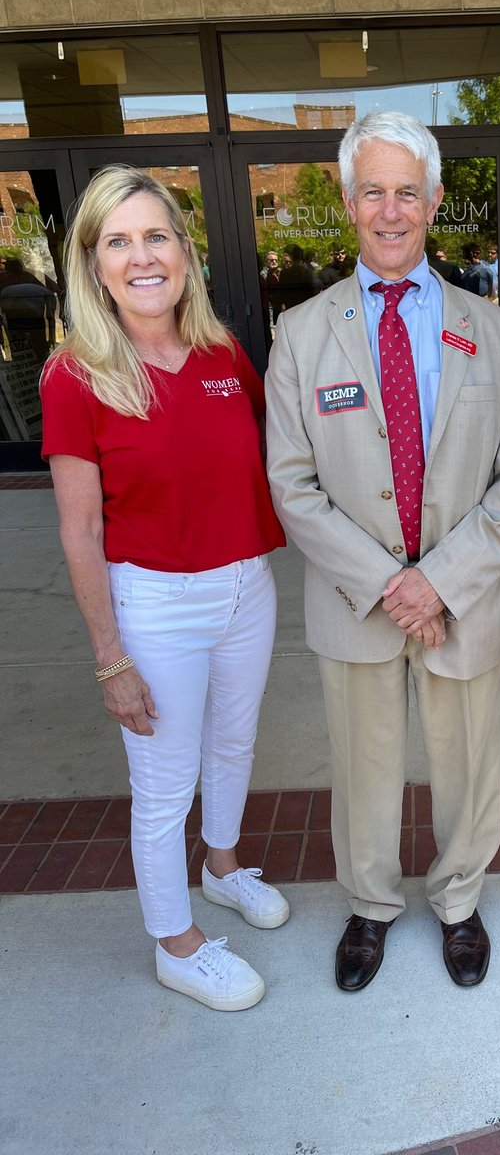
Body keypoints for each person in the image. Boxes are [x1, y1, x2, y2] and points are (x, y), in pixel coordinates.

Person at [266, 111, 500, 992]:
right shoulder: (300, 336)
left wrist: (441, 583)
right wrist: (391, 582)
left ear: (433, 204)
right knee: (365, 765)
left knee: (469, 762)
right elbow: (292, 486)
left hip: (463, 601)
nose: (391, 210)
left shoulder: (493, 331)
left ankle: (459, 903)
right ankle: (370, 905)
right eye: (374, 191)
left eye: (408, 192)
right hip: (358, 603)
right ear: (348, 203)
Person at [40, 166, 289, 1012]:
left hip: (245, 588)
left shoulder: (223, 355)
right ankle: (176, 945)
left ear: (184, 251)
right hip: (154, 604)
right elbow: (79, 530)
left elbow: (276, 460)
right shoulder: (75, 376)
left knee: (233, 745)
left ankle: (222, 870)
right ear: (93, 263)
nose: (142, 257)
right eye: (119, 241)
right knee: (163, 781)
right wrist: (111, 658)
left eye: (157, 237)